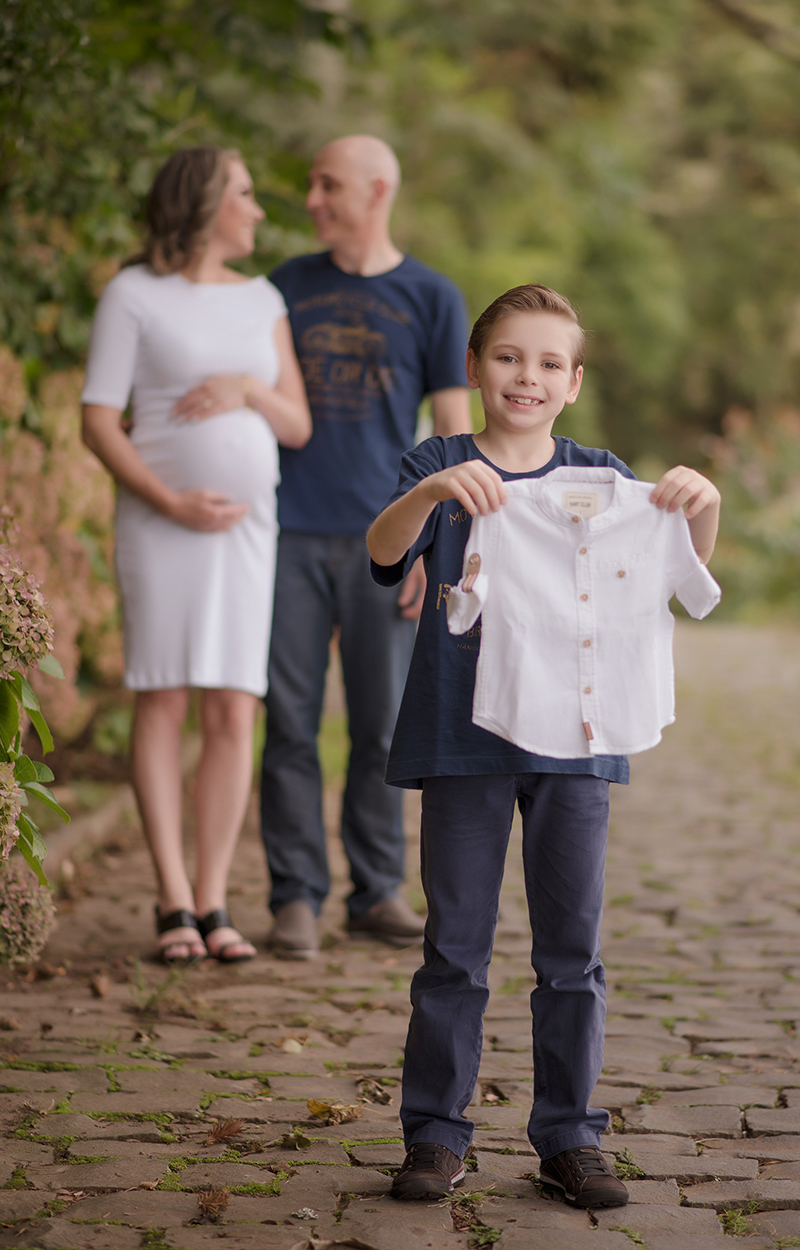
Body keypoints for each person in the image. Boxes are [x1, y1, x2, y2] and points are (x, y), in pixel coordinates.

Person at [366, 284, 721, 1205]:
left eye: (549, 363)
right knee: (456, 946)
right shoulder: (440, 462)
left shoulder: (602, 474)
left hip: (578, 740)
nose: (527, 376)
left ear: (571, 384)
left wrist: (700, 502)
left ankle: (569, 1133)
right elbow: (381, 553)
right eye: (509, 357)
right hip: (461, 738)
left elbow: (682, 573)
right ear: (477, 367)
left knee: (573, 949)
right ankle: (435, 1134)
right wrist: (434, 490)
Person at [81, 147, 311, 964]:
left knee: (233, 707)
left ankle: (215, 901)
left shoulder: (263, 298)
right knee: (164, 697)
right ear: (207, 203)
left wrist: (244, 388)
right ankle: (172, 899)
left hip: (248, 531)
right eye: (245, 193)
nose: (257, 208)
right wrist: (169, 499)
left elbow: (297, 423)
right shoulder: (133, 294)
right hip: (160, 523)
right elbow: (99, 420)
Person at [260, 134, 472, 959]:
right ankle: (295, 896)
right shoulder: (283, 287)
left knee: (383, 725)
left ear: (377, 189)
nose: (312, 198)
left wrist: (435, 550)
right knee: (291, 721)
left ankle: (376, 888)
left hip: (387, 538)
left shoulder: (432, 295)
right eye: (312, 182)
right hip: (286, 532)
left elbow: (455, 435)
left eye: (328, 184)